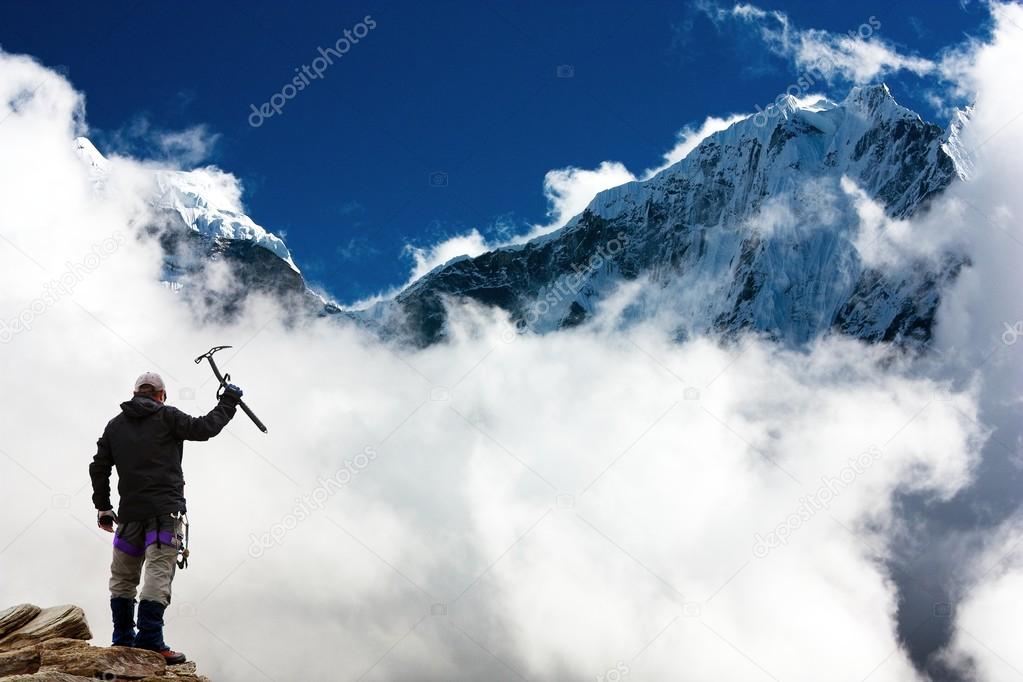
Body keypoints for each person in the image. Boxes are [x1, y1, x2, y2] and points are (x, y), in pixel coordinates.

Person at [89, 371, 243, 664]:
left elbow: (98, 467)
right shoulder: (168, 416)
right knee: (157, 577)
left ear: (135, 393)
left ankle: (122, 639)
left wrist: (104, 507)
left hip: (129, 516)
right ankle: (150, 639)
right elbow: (205, 428)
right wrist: (229, 401)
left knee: (122, 579)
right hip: (165, 514)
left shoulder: (115, 426)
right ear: (161, 395)